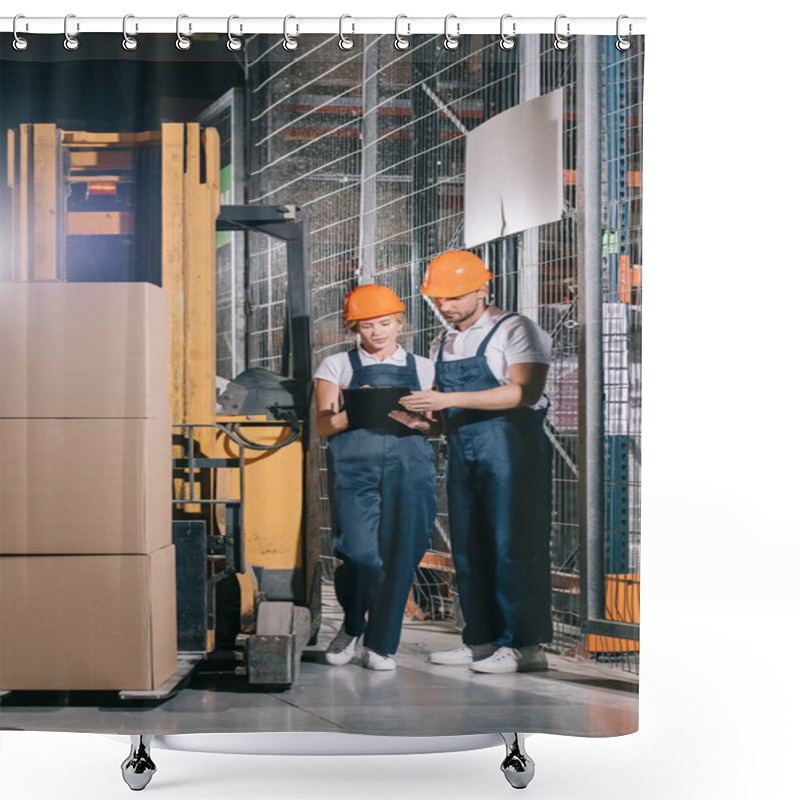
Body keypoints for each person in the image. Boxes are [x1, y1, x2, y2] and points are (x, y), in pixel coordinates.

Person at [399, 251, 553, 674]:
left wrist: (447, 399)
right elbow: (445, 416)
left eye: (454, 296)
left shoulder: (516, 329)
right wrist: (422, 422)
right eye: (437, 298)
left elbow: (524, 392)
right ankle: (481, 639)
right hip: (464, 451)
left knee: (513, 544)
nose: (444, 305)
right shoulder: (442, 342)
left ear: (483, 288)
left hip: (512, 450)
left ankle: (524, 646)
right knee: (469, 546)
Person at [314, 284, 438, 671]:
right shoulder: (337, 366)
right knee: (359, 553)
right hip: (356, 466)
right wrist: (361, 408)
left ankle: (382, 643)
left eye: (385, 323)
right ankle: (352, 625)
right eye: (367, 326)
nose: (378, 332)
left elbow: (435, 424)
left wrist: (419, 419)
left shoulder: (424, 367)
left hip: (410, 465)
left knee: (401, 553)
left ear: (399, 322)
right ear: (354, 328)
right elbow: (323, 425)